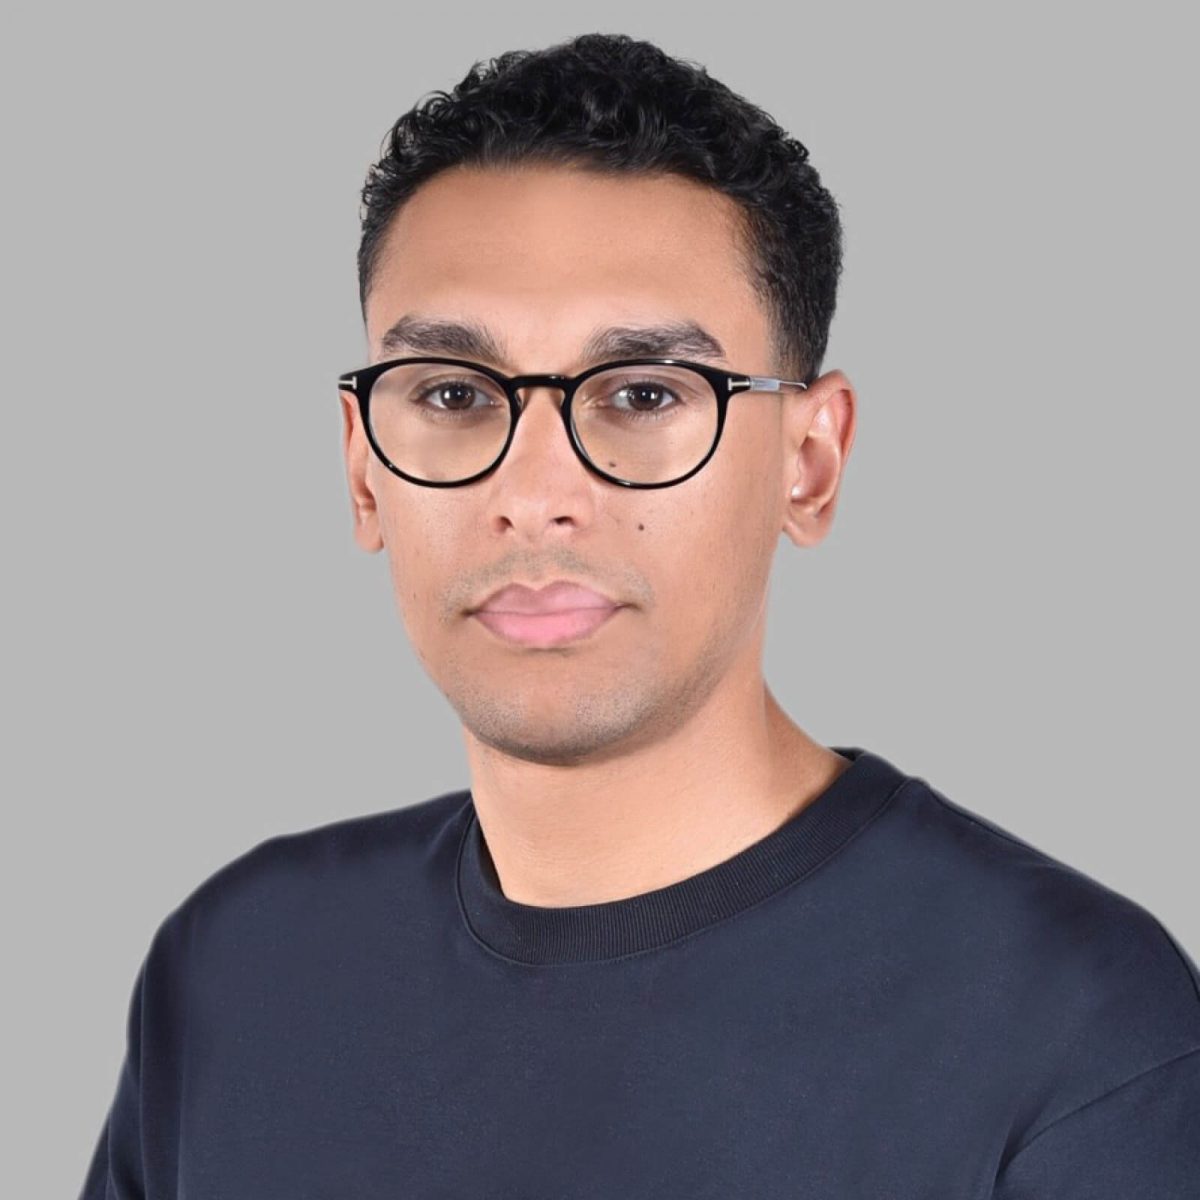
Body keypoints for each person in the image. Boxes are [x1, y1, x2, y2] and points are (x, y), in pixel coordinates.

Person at [79, 31, 1199, 1199]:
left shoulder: (1077, 1038)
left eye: (645, 394)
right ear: (365, 472)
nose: (534, 495)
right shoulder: (236, 973)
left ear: (808, 465)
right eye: (454, 394)